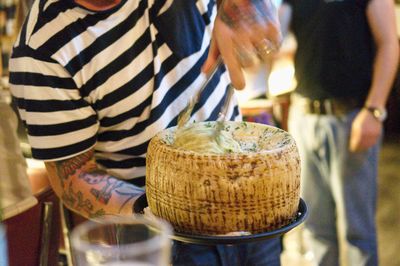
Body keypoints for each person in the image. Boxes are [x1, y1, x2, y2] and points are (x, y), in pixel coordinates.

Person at [9, 0, 283, 265]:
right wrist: (165, 210)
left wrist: (247, 8)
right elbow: (73, 177)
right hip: (170, 239)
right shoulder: (41, 50)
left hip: (249, 203)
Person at [279, 0, 399, 265]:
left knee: (358, 230)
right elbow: (275, 40)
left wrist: (374, 110)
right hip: (303, 114)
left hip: (352, 115)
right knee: (315, 227)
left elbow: (389, 43)